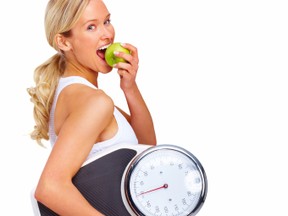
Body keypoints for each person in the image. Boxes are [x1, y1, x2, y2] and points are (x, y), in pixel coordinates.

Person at [27, 0, 157, 215]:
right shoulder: (93, 101)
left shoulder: (83, 95)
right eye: (91, 26)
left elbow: (145, 148)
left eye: (107, 21)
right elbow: (49, 188)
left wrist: (130, 88)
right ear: (64, 42)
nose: (107, 34)